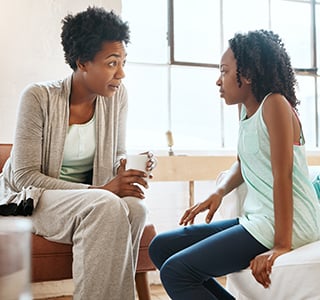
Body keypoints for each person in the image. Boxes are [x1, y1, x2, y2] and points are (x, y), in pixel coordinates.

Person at [148, 29, 320, 300]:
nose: (218, 81)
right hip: (260, 219)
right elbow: (243, 163)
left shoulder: (275, 104)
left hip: (290, 223)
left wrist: (280, 246)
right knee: (161, 247)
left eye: (225, 71)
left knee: (176, 272)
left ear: (248, 75)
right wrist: (219, 192)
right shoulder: (244, 110)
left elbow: (282, 176)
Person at [0, 6, 156, 300]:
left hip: (89, 199)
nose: (121, 73)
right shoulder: (38, 97)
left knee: (137, 208)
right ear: (83, 62)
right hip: (31, 199)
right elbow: (23, 177)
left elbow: (115, 152)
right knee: (105, 205)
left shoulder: (117, 96)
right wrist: (99, 189)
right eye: (112, 63)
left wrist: (126, 165)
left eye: (123, 62)